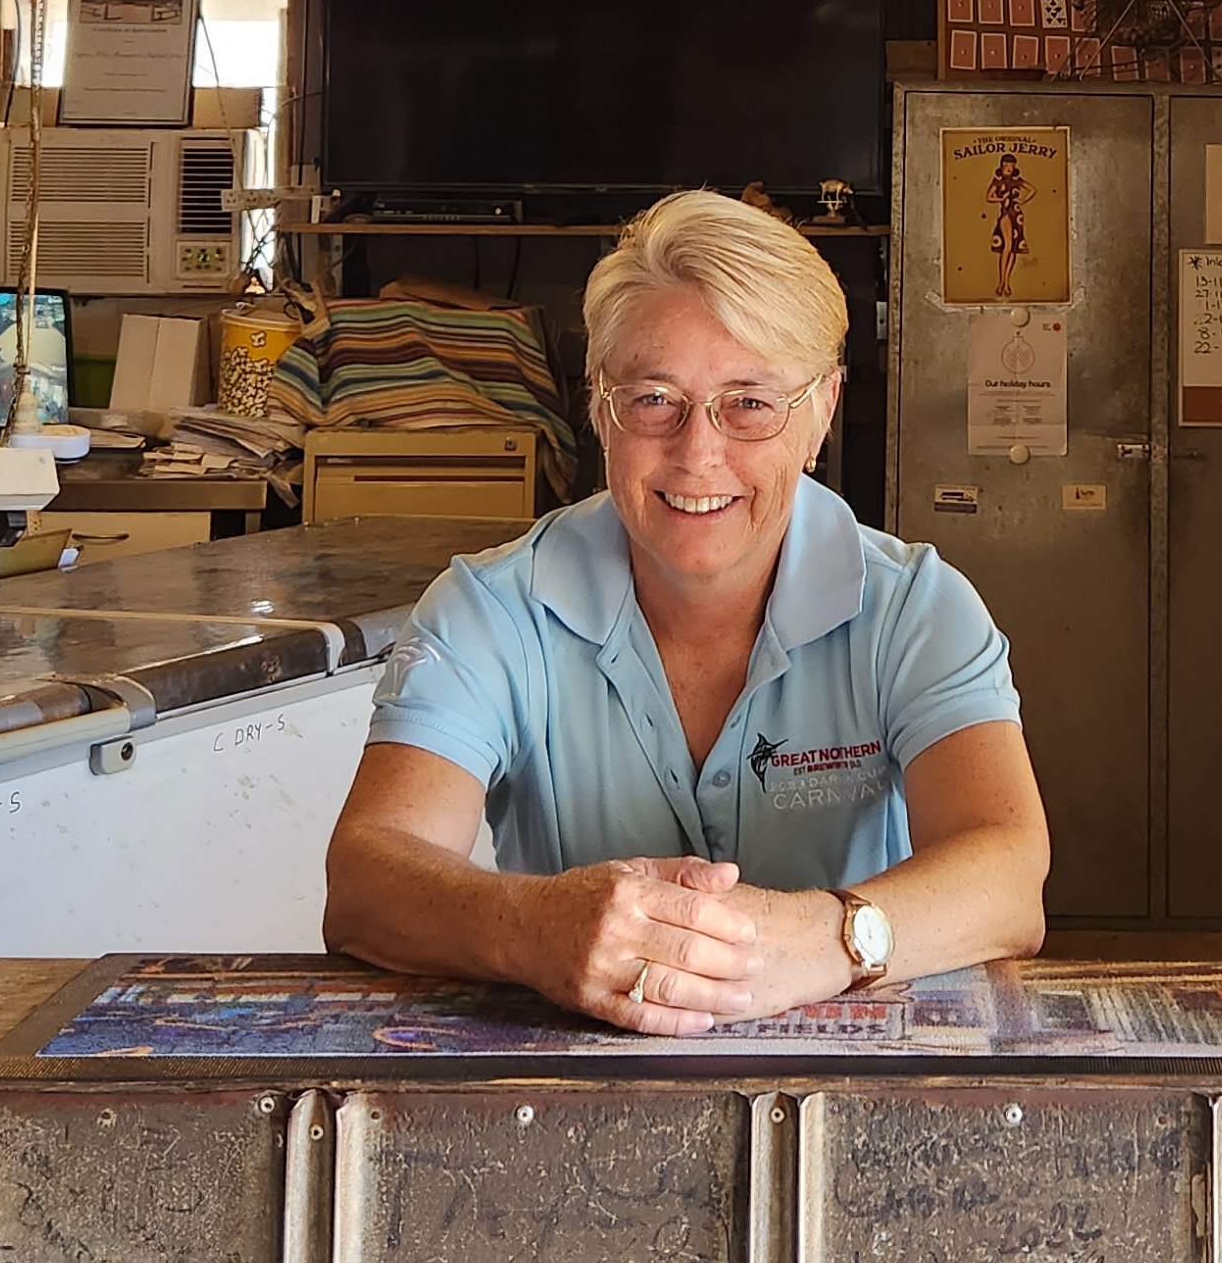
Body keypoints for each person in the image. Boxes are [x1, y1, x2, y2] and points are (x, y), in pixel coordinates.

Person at [323, 190, 1048, 1032]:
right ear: (599, 406)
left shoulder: (916, 606)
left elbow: (1009, 875)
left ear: (820, 413)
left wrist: (825, 938)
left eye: (749, 402)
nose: (699, 454)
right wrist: (532, 927)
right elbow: (367, 882)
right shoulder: (487, 609)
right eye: (653, 399)